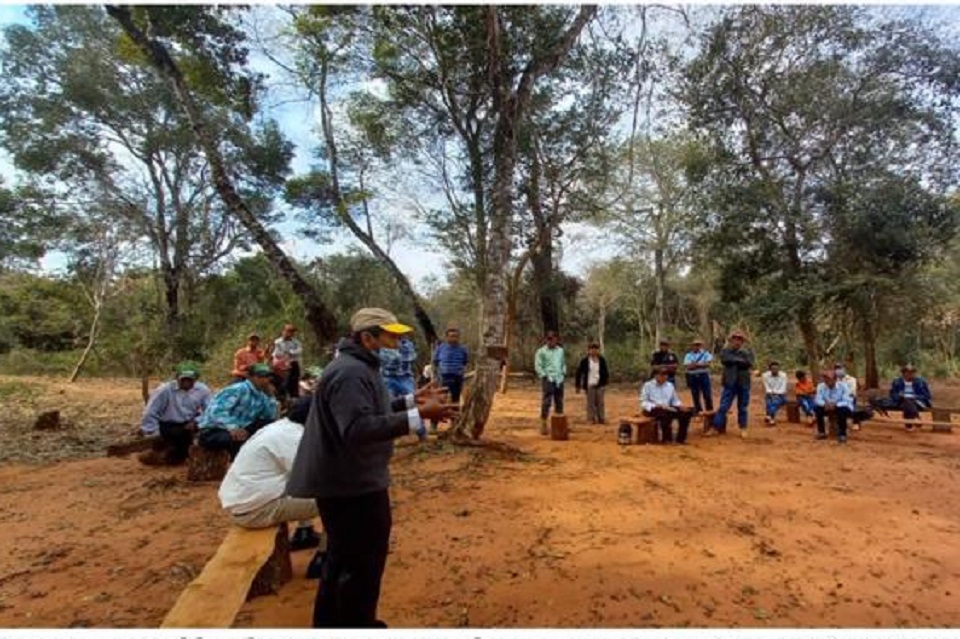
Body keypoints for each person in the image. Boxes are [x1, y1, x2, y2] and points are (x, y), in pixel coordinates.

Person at [286, 307, 457, 628]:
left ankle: (338, 624)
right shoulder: (350, 372)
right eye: (388, 335)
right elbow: (356, 428)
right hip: (350, 486)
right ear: (367, 337)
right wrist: (419, 417)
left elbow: (368, 409)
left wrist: (411, 401)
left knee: (343, 559)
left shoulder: (357, 367)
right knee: (360, 562)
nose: (395, 341)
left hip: (351, 481)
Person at [218, 397, 323, 553]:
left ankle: (304, 532)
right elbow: (311, 476)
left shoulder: (280, 427)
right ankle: (325, 558)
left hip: (247, 503)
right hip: (256, 511)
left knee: (301, 486)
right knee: (338, 501)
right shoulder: (294, 438)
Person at [197, 363, 278, 459]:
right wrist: (233, 427)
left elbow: (269, 416)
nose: (264, 380)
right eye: (260, 376)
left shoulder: (262, 395)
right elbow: (217, 412)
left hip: (241, 429)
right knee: (234, 440)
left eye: (267, 377)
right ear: (250, 377)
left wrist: (271, 398)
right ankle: (233, 463)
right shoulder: (237, 389)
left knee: (269, 425)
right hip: (214, 430)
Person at [140, 362, 212, 465]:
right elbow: (150, 412)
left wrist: (197, 422)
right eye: (183, 379)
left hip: (189, 425)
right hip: (167, 426)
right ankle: (158, 452)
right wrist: (153, 433)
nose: (186, 382)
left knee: (180, 455)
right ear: (177, 378)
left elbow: (210, 411)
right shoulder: (164, 390)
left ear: (196, 379)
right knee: (170, 454)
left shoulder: (203, 390)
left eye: (190, 379)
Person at [711, 329, 755, 439]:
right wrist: (741, 361)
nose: (737, 341)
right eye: (735, 339)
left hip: (744, 382)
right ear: (731, 340)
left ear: (743, 342)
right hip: (729, 382)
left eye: (740, 339)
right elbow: (725, 360)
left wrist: (735, 361)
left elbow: (749, 363)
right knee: (724, 406)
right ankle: (715, 427)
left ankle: (743, 428)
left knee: (743, 407)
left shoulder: (747, 352)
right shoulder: (725, 351)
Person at [640, 366, 694, 444]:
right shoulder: (648, 385)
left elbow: (675, 400)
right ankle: (666, 439)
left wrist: (680, 406)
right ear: (655, 375)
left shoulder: (669, 385)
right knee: (664, 414)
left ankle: (681, 439)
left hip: (668, 408)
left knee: (686, 413)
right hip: (653, 409)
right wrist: (655, 405)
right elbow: (643, 402)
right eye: (662, 375)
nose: (664, 377)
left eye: (666, 375)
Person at [871, 364, 933, 430]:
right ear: (903, 373)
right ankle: (915, 418)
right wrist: (899, 395)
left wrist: (916, 396)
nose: (910, 374)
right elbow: (892, 394)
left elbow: (927, 395)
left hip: (917, 402)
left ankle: (909, 425)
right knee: (906, 400)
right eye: (908, 372)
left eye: (912, 372)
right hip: (900, 401)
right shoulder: (897, 381)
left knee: (907, 401)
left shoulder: (921, 381)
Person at [535, 331, 566, 435]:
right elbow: (538, 365)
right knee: (547, 401)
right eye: (548, 339)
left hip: (559, 378)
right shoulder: (541, 351)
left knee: (559, 401)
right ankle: (543, 423)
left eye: (552, 339)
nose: (550, 341)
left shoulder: (560, 351)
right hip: (548, 378)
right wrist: (544, 375)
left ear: (556, 339)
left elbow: (563, 363)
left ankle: (559, 424)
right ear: (546, 339)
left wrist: (563, 372)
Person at [814, 369, 854, 444]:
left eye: (829, 379)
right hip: (827, 406)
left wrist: (836, 404)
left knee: (843, 410)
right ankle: (821, 432)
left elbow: (847, 400)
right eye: (825, 379)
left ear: (835, 379)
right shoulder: (821, 386)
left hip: (841, 407)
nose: (827, 382)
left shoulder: (843, 386)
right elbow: (818, 399)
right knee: (817, 409)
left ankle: (842, 434)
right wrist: (824, 404)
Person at [575, 342, 609, 424]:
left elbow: (606, 373)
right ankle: (590, 419)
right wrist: (578, 385)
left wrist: (605, 384)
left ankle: (602, 418)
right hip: (589, 384)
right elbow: (579, 373)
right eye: (592, 349)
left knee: (600, 403)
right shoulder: (585, 361)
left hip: (600, 384)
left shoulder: (602, 360)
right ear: (589, 350)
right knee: (590, 403)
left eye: (596, 349)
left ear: (598, 350)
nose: (594, 351)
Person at [433, 327, 469, 405]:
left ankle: (454, 415)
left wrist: (460, 370)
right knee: (442, 397)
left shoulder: (462, 349)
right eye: (452, 336)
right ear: (447, 337)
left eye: (456, 336)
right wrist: (437, 373)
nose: (454, 338)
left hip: (457, 376)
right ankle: (441, 415)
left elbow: (465, 362)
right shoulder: (441, 348)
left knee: (456, 397)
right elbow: (435, 361)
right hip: (444, 376)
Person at [271, 324, 303, 400]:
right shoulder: (277, 342)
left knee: (294, 381)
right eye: (288, 331)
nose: (289, 333)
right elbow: (276, 353)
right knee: (284, 381)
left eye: (292, 332)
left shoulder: (296, 342)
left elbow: (299, 351)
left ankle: (294, 397)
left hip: (293, 363)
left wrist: (290, 352)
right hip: (282, 365)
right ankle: (282, 398)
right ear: (283, 331)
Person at [380, 334, 417, 400]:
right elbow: (386, 360)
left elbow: (410, 357)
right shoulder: (383, 344)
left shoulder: (407, 344)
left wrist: (395, 348)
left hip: (405, 378)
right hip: (388, 377)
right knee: (388, 402)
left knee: (412, 401)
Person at [683, 338, 714, 414]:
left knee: (707, 394)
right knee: (695, 395)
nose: (697, 346)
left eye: (699, 345)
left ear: (701, 345)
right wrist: (701, 364)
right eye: (695, 345)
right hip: (693, 377)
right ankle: (698, 411)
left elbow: (708, 364)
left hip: (704, 375)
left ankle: (709, 411)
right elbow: (687, 366)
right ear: (692, 346)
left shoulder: (706, 354)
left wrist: (695, 364)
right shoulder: (688, 355)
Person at [834, 362, 863, 431]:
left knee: (850, 405)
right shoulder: (834, 380)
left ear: (844, 369)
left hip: (849, 398)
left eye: (840, 368)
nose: (838, 370)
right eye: (836, 369)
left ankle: (855, 422)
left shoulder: (851, 379)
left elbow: (851, 392)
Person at [761, 361, 788, 425]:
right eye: (773, 369)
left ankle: (769, 416)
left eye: (777, 369)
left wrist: (776, 394)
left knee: (773, 402)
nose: (775, 370)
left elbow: (783, 388)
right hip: (770, 394)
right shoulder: (765, 375)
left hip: (781, 395)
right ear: (770, 369)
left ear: (779, 369)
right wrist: (771, 393)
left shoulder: (783, 375)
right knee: (770, 401)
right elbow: (766, 386)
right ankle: (771, 419)